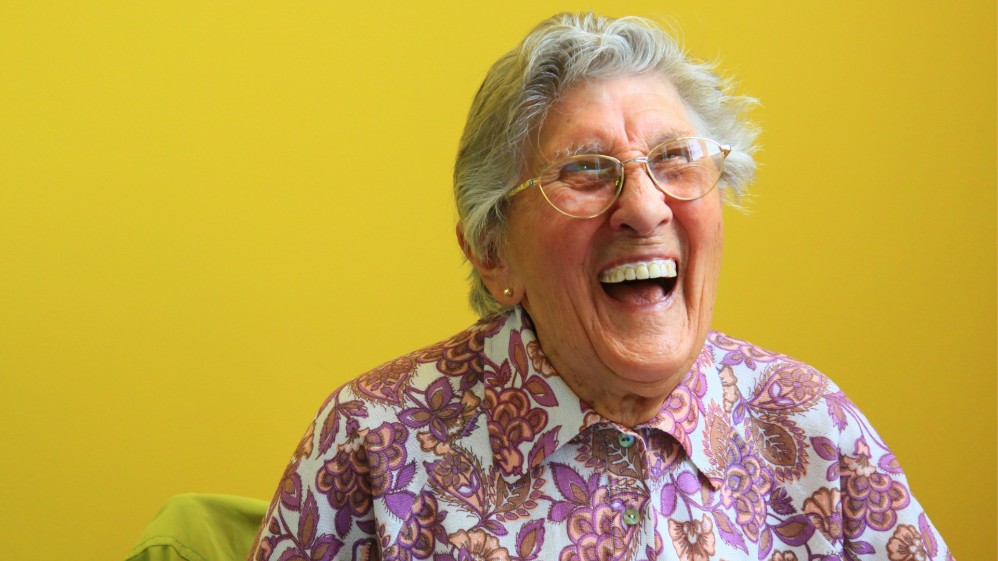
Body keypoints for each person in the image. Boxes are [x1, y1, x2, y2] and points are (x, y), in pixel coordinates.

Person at [249, 12, 952, 561]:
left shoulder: (811, 428)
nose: (645, 208)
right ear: (493, 253)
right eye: (585, 170)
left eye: (675, 159)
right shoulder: (374, 443)